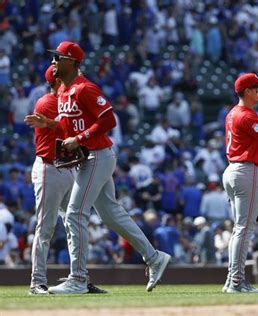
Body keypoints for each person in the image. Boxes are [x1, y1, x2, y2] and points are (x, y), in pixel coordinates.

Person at [25, 41, 170, 294]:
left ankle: (78, 279)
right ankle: (154, 257)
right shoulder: (66, 94)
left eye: (58, 57)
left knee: (74, 214)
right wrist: (49, 124)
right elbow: (69, 128)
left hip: (97, 156)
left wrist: (79, 139)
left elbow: (109, 119)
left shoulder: (85, 88)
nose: (53, 62)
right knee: (110, 213)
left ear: (72, 61)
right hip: (89, 157)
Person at [29, 66, 107, 295]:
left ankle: (80, 278)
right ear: (56, 80)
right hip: (49, 169)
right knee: (45, 227)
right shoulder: (48, 102)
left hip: (69, 169)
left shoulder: (67, 98)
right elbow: (68, 126)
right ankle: (37, 282)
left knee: (75, 223)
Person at [222, 73, 258, 293]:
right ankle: (236, 281)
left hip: (234, 170)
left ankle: (232, 280)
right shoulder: (245, 114)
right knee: (244, 230)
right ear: (247, 91)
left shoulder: (233, 112)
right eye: (257, 87)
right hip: (247, 169)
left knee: (240, 229)